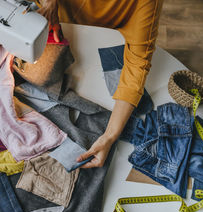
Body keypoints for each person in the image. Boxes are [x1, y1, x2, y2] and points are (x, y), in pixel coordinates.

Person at [37, 0, 163, 168]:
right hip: (60, 27)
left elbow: (136, 67)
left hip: (98, 40)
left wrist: (109, 136)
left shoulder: (146, 4)